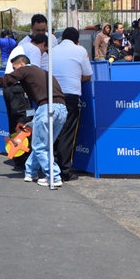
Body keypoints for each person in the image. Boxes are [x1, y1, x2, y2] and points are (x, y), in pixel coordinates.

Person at [0, 48, 68, 188]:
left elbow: (1, 81)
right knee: (44, 145)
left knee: (40, 146)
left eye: (15, 68)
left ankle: (54, 177)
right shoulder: (44, 73)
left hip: (46, 107)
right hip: (61, 109)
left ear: (22, 64)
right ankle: (30, 172)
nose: (14, 71)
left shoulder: (24, 70)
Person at [51, 27, 93, 181]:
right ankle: (64, 170)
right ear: (77, 40)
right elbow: (88, 75)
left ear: (62, 38)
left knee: (53, 132)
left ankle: (50, 167)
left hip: (52, 95)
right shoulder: (80, 50)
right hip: (70, 97)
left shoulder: (53, 50)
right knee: (68, 133)